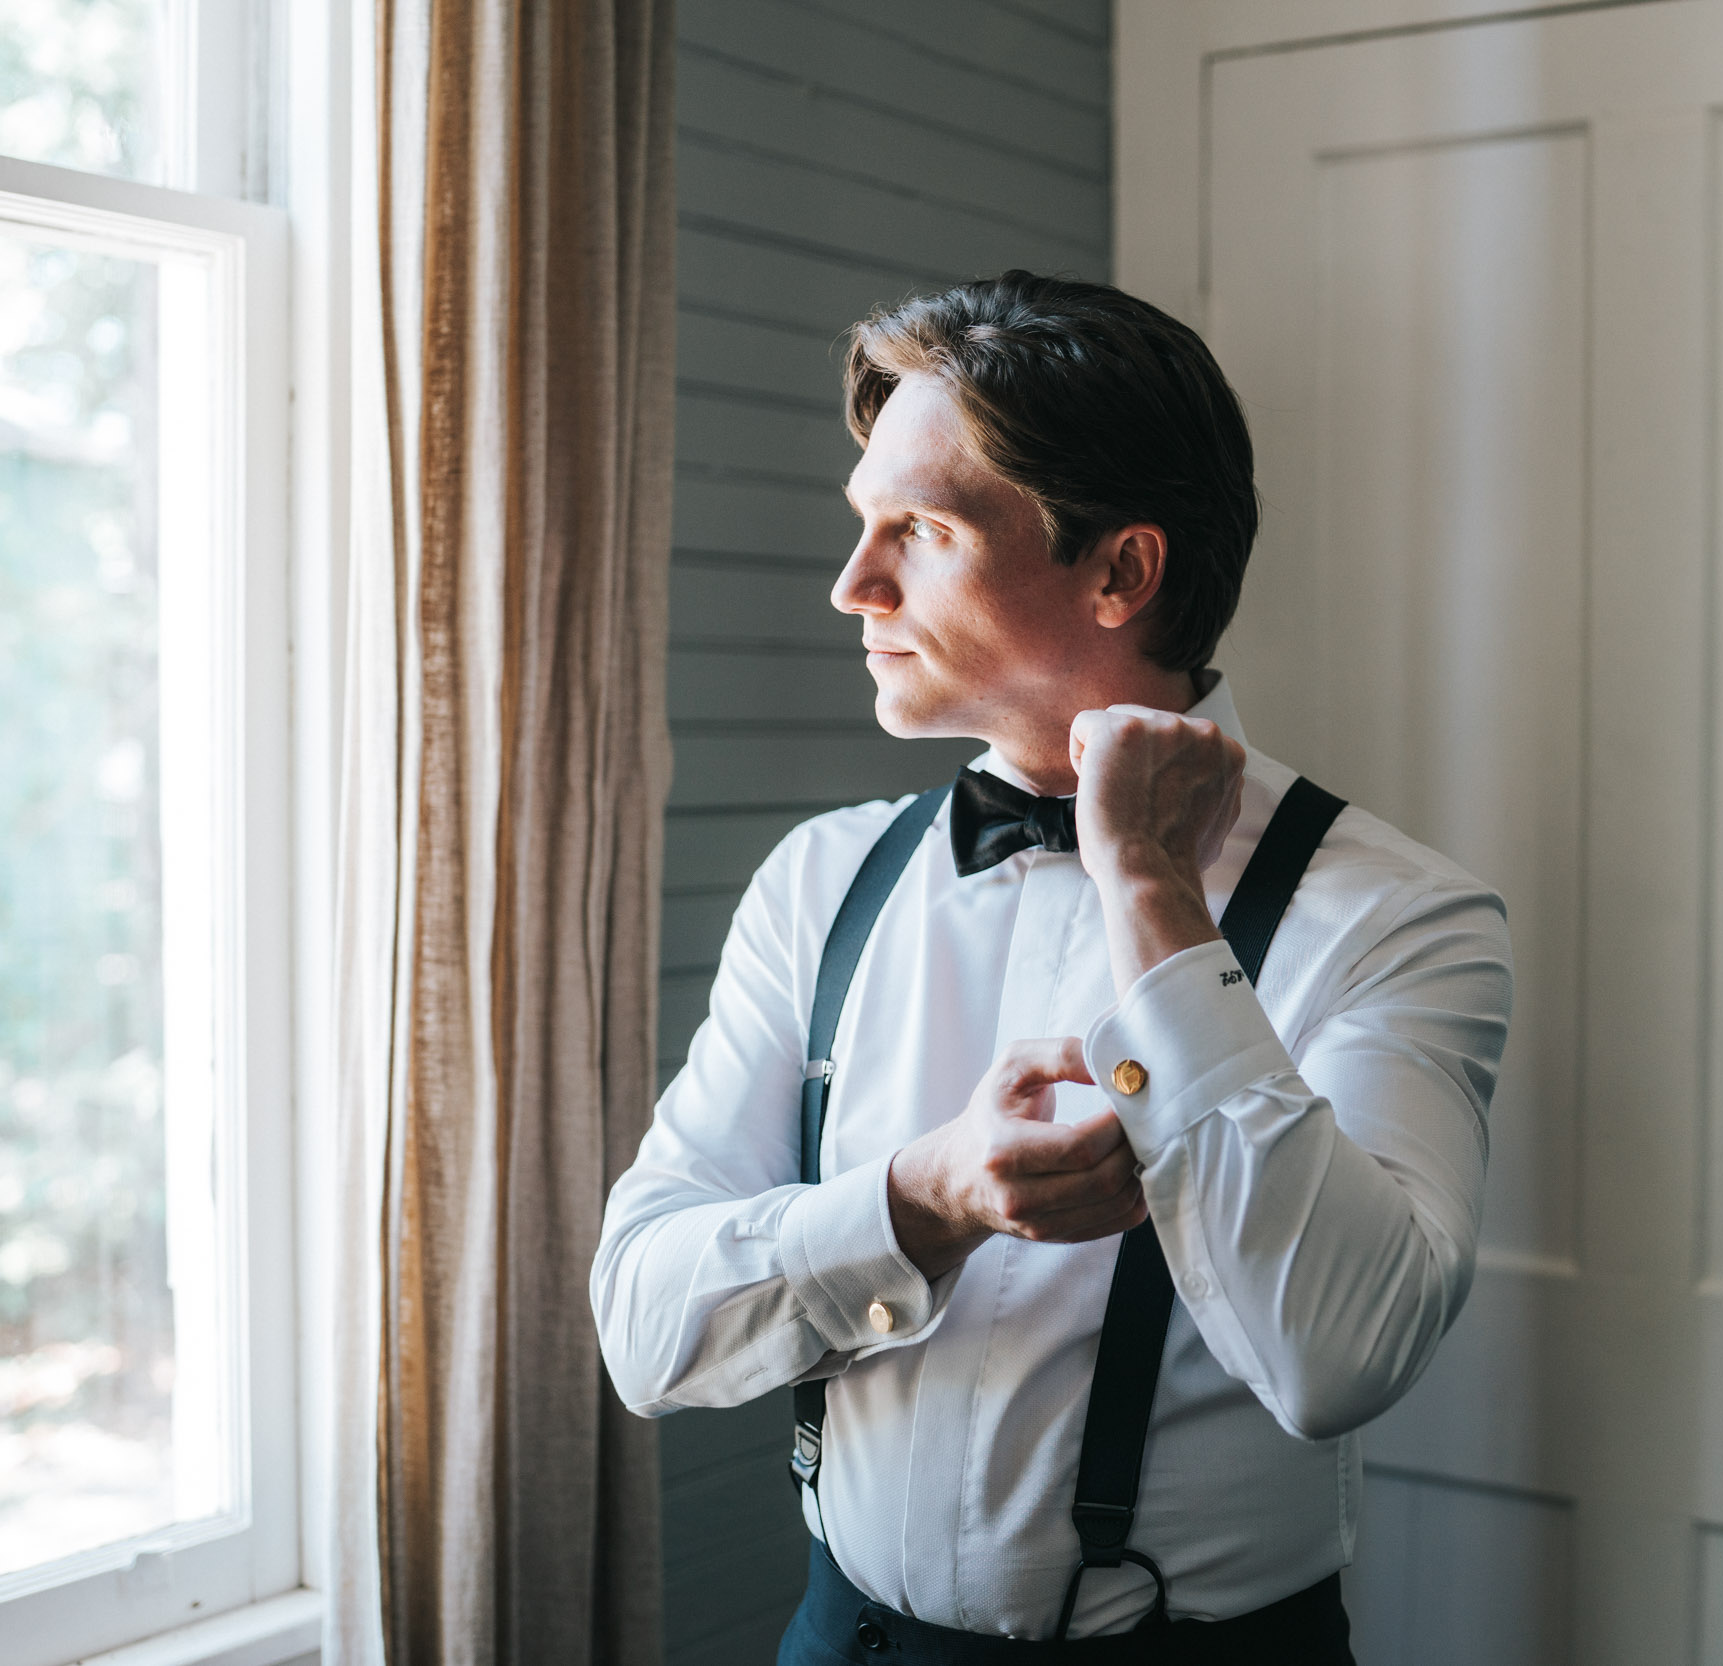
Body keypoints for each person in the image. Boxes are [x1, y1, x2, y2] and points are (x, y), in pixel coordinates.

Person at [591, 271, 1512, 1663]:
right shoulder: (822, 882)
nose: (854, 585)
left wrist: (1150, 893)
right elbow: (644, 1327)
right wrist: (917, 1202)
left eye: (921, 529)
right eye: (862, 526)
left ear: (1119, 571)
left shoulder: (1394, 916)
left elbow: (1339, 1355)